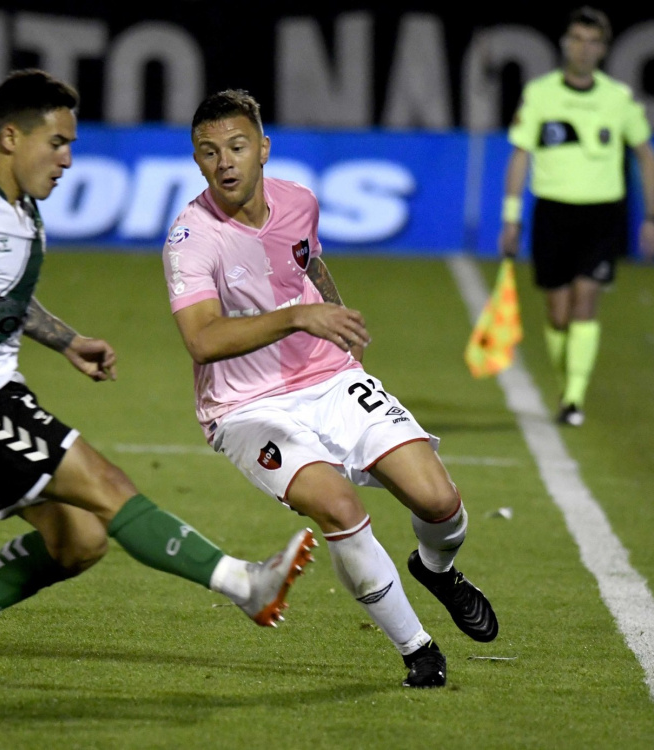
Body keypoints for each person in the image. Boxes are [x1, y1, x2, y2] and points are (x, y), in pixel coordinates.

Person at [0, 69, 317, 692]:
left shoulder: (18, 206)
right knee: (107, 484)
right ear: (12, 137)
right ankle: (244, 583)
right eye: (58, 143)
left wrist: (67, 340)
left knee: (81, 540)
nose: (68, 160)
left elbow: (3, 298)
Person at [161, 89, 498, 689]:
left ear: (262, 148)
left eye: (237, 147)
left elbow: (308, 261)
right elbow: (202, 340)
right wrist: (296, 317)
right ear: (196, 160)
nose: (225, 163)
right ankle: (417, 649)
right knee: (340, 507)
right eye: (208, 152)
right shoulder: (191, 238)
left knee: (440, 502)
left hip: (331, 378)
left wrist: (336, 319)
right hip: (246, 408)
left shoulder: (299, 201)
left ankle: (438, 570)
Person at [498, 6, 654, 427]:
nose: (583, 48)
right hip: (553, 213)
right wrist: (511, 217)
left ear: (604, 49)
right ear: (565, 44)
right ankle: (565, 384)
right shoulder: (541, 94)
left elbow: (646, 156)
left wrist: (653, 215)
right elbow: (521, 155)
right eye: (576, 39)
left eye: (592, 42)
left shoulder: (618, 99)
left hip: (603, 216)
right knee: (557, 313)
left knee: (586, 300)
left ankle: (573, 398)